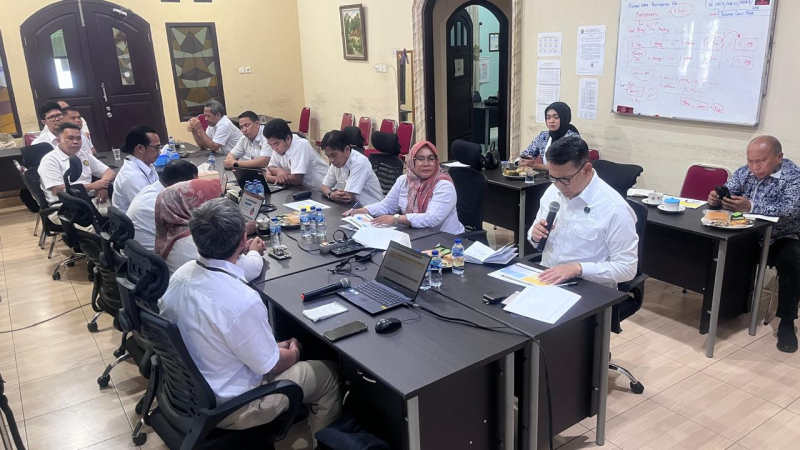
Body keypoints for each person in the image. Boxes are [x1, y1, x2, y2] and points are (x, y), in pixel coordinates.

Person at [158, 198, 342, 442]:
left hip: (187, 392)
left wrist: (272, 348)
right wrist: (295, 351)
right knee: (329, 374)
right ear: (243, 240)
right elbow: (272, 366)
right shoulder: (242, 301)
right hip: (232, 409)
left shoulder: (179, 276)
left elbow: (220, 339)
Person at [707, 136, 800, 353]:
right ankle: (722, 307)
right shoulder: (745, 172)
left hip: (781, 237)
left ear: (779, 157)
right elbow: (729, 189)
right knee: (715, 246)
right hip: (746, 234)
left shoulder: (793, 177)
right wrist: (717, 198)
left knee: (792, 260)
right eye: (751, 161)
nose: (755, 167)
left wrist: (751, 206)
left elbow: (791, 210)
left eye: (761, 161)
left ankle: (787, 322)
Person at [528, 136, 638, 289]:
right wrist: (534, 235)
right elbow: (534, 236)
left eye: (565, 179)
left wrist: (579, 269)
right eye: (553, 178)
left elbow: (627, 268)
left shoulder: (615, 208)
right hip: (546, 279)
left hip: (589, 288)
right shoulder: (552, 191)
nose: (559, 186)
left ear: (586, 169)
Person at [345, 140, 465, 234]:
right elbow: (386, 206)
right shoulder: (404, 181)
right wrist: (364, 210)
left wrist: (396, 219)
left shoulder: (444, 185)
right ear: (412, 161)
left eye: (431, 159)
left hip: (447, 240)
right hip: (418, 234)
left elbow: (431, 219)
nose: (426, 163)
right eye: (420, 159)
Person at [154, 179, 264, 280]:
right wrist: (255, 251)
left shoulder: (173, 233)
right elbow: (249, 270)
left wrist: (236, 247)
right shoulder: (194, 242)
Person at [37, 123, 115, 207]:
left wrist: (102, 186)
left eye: (78, 138)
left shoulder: (82, 154)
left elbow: (109, 172)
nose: (75, 142)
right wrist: (92, 186)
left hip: (89, 199)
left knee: (119, 210)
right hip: (64, 205)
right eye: (70, 138)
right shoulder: (49, 160)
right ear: (58, 141)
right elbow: (57, 189)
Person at [128, 160, 198, 251]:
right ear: (179, 184)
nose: (193, 190)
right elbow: (189, 230)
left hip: (141, 251)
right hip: (152, 255)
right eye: (192, 185)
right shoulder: (160, 203)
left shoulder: (151, 189)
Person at [320, 130, 384, 206]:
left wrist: (333, 193)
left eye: (333, 155)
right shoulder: (336, 162)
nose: (331, 160)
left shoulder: (359, 162)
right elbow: (324, 187)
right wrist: (330, 194)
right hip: (351, 207)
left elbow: (348, 197)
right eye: (328, 156)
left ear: (347, 149)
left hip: (372, 209)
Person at [264, 118, 328, 189]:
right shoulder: (277, 146)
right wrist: (279, 171)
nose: (274, 148)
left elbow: (296, 180)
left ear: (288, 139)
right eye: (270, 145)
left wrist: (271, 178)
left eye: (276, 144)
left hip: (320, 190)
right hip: (301, 189)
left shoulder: (301, 145)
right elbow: (270, 168)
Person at [112, 126, 161, 213]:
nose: (159, 152)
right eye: (156, 148)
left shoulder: (147, 166)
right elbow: (150, 209)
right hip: (141, 219)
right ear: (140, 148)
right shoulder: (132, 177)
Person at [518, 102, 580, 171]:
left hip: (566, 177)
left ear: (564, 118)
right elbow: (527, 153)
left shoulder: (573, 138)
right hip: (544, 176)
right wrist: (522, 161)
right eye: (548, 117)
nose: (551, 121)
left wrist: (536, 165)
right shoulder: (543, 136)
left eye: (556, 117)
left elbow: (565, 168)